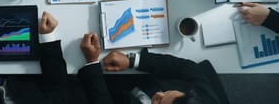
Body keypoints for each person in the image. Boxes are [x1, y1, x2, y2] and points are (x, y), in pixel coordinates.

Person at [78, 32, 228, 104]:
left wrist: (91, 61)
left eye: (158, 103)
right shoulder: (206, 100)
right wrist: (133, 61)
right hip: (141, 78)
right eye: (167, 93)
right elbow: (187, 68)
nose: (158, 95)